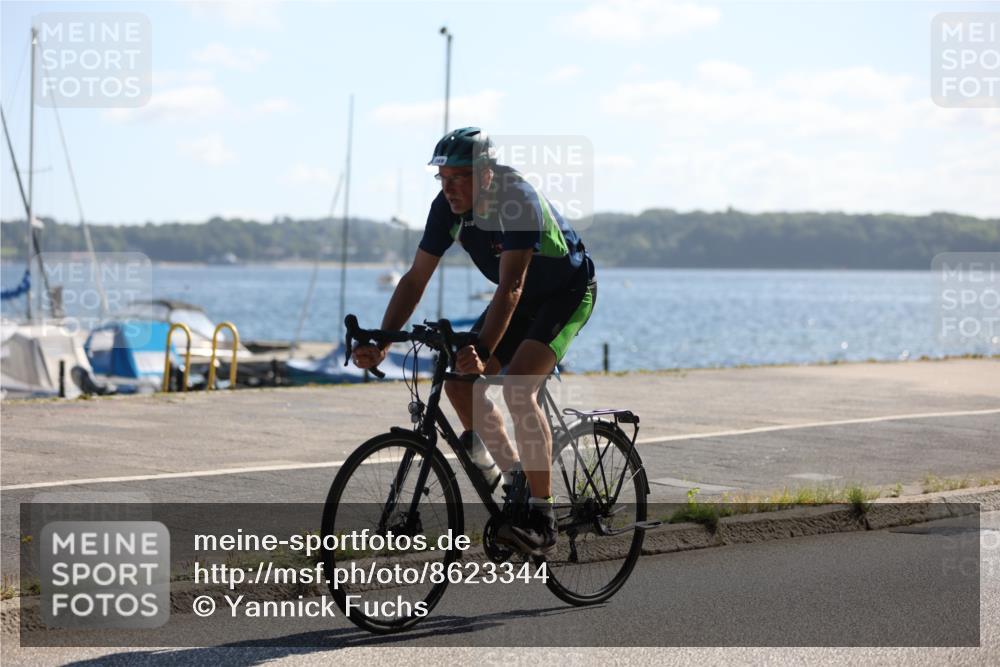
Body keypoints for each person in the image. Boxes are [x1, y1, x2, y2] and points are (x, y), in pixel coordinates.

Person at [352, 127, 596, 555]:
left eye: (458, 178)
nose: (448, 189)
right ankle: (515, 480)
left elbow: (512, 288)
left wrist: (481, 351)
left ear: (486, 175)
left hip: (566, 292)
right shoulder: (447, 209)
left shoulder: (515, 199)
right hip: (518, 299)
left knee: (521, 388)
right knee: (456, 382)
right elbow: (414, 279)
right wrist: (384, 340)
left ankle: (543, 516)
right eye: (442, 179)